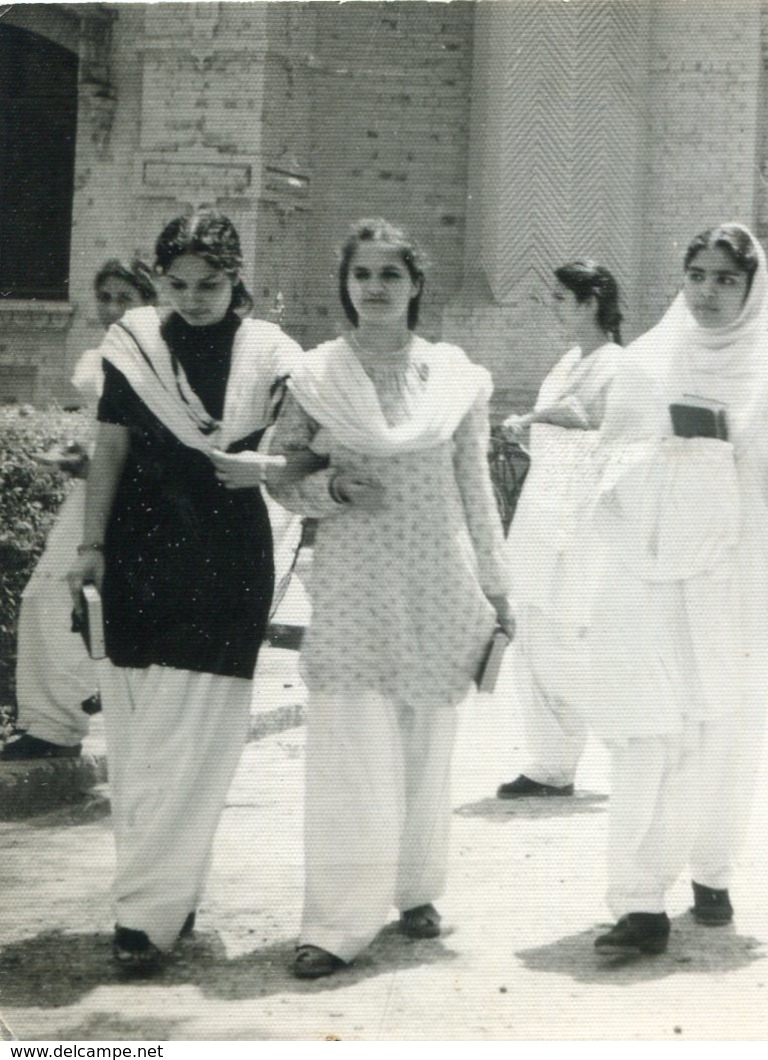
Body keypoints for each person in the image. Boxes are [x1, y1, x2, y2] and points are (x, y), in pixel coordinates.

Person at [578, 223, 768, 956]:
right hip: (655, 560)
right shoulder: (644, 361)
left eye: (725, 278)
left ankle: (710, 869)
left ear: (751, 285)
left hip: (738, 564)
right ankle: (637, 901)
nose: (707, 290)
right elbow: (607, 461)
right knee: (652, 725)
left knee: (725, 726)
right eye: (696, 274)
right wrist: (667, 458)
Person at [267, 219, 514, 978]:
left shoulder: (454, 378)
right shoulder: (316, 377)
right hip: (354, 581)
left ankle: (414, 892)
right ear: (345, 284)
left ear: (415, 286)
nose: (374, 287)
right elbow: (278, 474)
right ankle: (336, 923)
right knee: (349, 750)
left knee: (425, 748)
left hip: (439, 581)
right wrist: (332, 487)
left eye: (390, 275)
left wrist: (501, 591)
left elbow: (476, 490)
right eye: (362, 274)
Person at [66, 214, 301, 972]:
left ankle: (144, 918)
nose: (195, 298)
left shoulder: (273, 355)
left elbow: (308, 455)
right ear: (159, 280)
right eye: (179, 284)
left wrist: (264, 471)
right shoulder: (132, 346)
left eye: (212, 284)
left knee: (194, 741)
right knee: (137, 744)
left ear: (237, 280)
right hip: (138, 553)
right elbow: (110, 448)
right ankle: (167, 893)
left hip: (225, 558)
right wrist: (91, 546)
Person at [3, 260, 157, 762]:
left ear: (148, 301)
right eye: (105, 296)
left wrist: (90, 461)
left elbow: (152, 447)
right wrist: (78, 457)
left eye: (125, 298)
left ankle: (137, 730)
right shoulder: (95, 359)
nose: (113, 309)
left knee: (125, 610)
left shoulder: (162, 360)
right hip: (91, 497)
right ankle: (52, 727)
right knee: (48, 599)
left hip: (141, 504)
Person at [495, 260, 624, 800]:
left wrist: (542, 423)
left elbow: (612, 438)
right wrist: (526, 430)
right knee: (534, 637)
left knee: (568, 638)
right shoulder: (566, 363)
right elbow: (553, 433)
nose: (553, 306)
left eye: (561, 298)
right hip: (543, 511)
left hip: (584, 522)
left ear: (590, 302)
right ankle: (552, 766)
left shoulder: (618, 365)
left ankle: (636, 735)